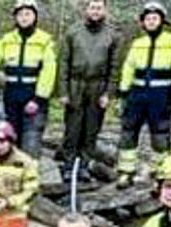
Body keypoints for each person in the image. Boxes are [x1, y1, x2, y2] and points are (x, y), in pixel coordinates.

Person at [115, 1, 171, 185]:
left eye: (154, 18)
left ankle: (160, 171)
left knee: (160, 134)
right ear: (142, 22)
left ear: (162, 21)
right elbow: (128, 68)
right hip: (137, 94)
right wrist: (122, 94)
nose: (151, 21)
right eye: (147, 19)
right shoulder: (137, 43)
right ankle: (126, 171)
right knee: (128, 132)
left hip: (161, 95)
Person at [0, 0, 57, 159]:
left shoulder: (45, 41)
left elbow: (49, 72)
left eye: (28, 14)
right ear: (15, 17)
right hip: (12, 95)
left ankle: (30, 175)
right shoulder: (7, 39)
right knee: (10, 137)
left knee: (31, 139)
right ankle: (10, 174)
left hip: (33, 96)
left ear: (35, 16)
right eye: (20, 14)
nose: (24, 18)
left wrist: (38, 99)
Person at [60, 0, 119, 169]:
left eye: (99, 8)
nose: (95, 11)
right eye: (92, 7)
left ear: (105, 10)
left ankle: (85, 165)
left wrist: (108, 93)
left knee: (92, 128)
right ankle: (69, 164)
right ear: (86, 9)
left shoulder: (112, 35)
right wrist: (63, 91)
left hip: (98, 86)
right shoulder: (73, 32)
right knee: (72, 128)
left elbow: (114, 68)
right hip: (75, 84)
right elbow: (64, 62)